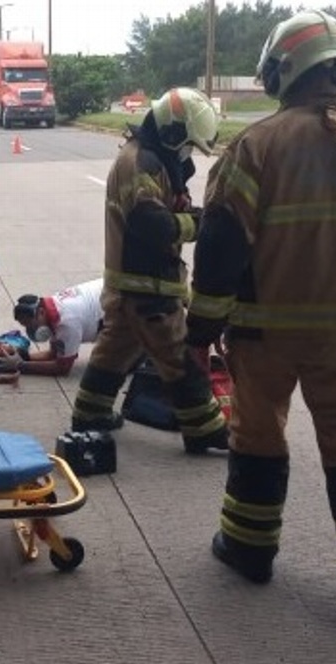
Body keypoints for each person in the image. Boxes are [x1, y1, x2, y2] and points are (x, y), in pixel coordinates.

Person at [185, 10, 336, 619]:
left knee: (258, 431)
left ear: (282, 72)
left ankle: (247, 549)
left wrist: (202, 328)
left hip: (267, 333)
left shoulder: (255, 147)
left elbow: (220, 245)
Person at [68, 86, 230, 455]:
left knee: (115, 352)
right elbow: (150, 223)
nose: (188, 154)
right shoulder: (143, 164)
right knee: (179, 357)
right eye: (188, 145)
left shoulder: (147, 157)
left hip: (131, 285)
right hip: (148, 288)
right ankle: (204, 427)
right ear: (173, 133)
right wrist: (198, 223)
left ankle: (90, 414)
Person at [0, 278, 104, 376]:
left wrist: (20, 366)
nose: (31, 330)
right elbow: (54, 354)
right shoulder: (51, 307)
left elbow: (63, 368)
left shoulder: (66, 323)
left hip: (116, 306)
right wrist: (24, 356)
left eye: (31, 324)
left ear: (41, 312)